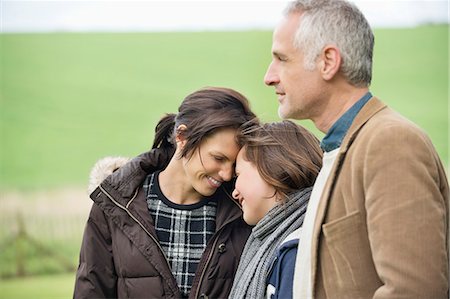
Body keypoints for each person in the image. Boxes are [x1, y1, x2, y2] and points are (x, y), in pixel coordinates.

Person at [264, 1, 449, 298]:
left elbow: (414, 291)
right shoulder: (344, 147)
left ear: (328, 61)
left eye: (282, 59)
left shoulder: (390, 143)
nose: (269, 77)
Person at [73, 87, 257, 299]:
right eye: (218, 158)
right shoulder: (117, 203)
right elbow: (91, 290)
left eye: (234, 164)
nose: (226, 174)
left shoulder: (242, 211)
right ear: (182, 136)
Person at [228, 120, 322, 299]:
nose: (234, 192)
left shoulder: (296, 250)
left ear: (270, 170)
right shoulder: (281, 241)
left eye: (238, 175)